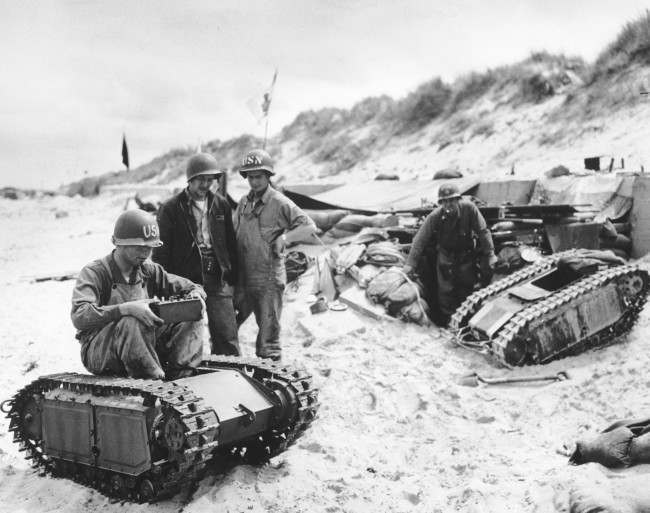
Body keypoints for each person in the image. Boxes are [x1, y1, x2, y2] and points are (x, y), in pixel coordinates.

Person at [71, 209, 206, 379]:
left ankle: (183, 375)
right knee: (131, 321)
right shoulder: (95, 273)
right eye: (140, 247)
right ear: (118, 243)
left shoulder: (148, 270)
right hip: (100, 349)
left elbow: (188, 286)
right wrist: (125, 309)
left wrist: (197, 293)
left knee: (190, 310)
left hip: (144, 343)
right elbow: (80, 316)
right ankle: (152, 381)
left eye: (150, 247)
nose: (146, 253)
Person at [153, 153, 240, 356]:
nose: (205, 184)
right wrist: (165, 283)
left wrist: (233, 277)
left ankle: (229, 378)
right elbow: (161, 251)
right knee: (187, 339)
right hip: (185, 280)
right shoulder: (170, 208)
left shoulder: (221, 204)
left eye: (210, 180)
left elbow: (230, 244)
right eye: (201, 179)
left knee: (227, 336)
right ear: (190, 180)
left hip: (217, 277)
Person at [234, 149, 315, 361]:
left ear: (268, 176)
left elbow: (309, 227)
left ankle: (270, 382)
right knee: (227, 328)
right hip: (243, 278)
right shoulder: (243, 202)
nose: (254, 181)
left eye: (258, 177)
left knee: (268, 340)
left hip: (268, 280)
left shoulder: (280, 202)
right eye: (250, 177)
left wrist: (286, 238)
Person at [403, 183, 497, 325]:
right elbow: (419, 240)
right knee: (446, 293)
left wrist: (490, 254)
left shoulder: (469, 209)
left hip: (466, 257)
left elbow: (483, 231)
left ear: (458, 199)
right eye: (444, 201)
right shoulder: (435, 216)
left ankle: (466, 322)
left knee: (467, 289)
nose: (448, 205)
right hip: (446, 258)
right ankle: (448, 323)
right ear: (441, 203)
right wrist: (410, 264)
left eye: (451, 200)